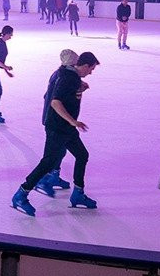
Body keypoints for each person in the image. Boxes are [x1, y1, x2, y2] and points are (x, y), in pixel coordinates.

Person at [11, 51, 101, 216]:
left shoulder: (71, 77)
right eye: (91, 69)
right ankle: (21, 194)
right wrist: (73, 121)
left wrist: (80, 89)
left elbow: (64, 95)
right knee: (48, 162)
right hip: (57, 128)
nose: (91, 73)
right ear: (85, 65)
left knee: (82, 155)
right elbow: (55, 102)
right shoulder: (68, 78)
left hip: (67, 129)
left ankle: (78, 195)